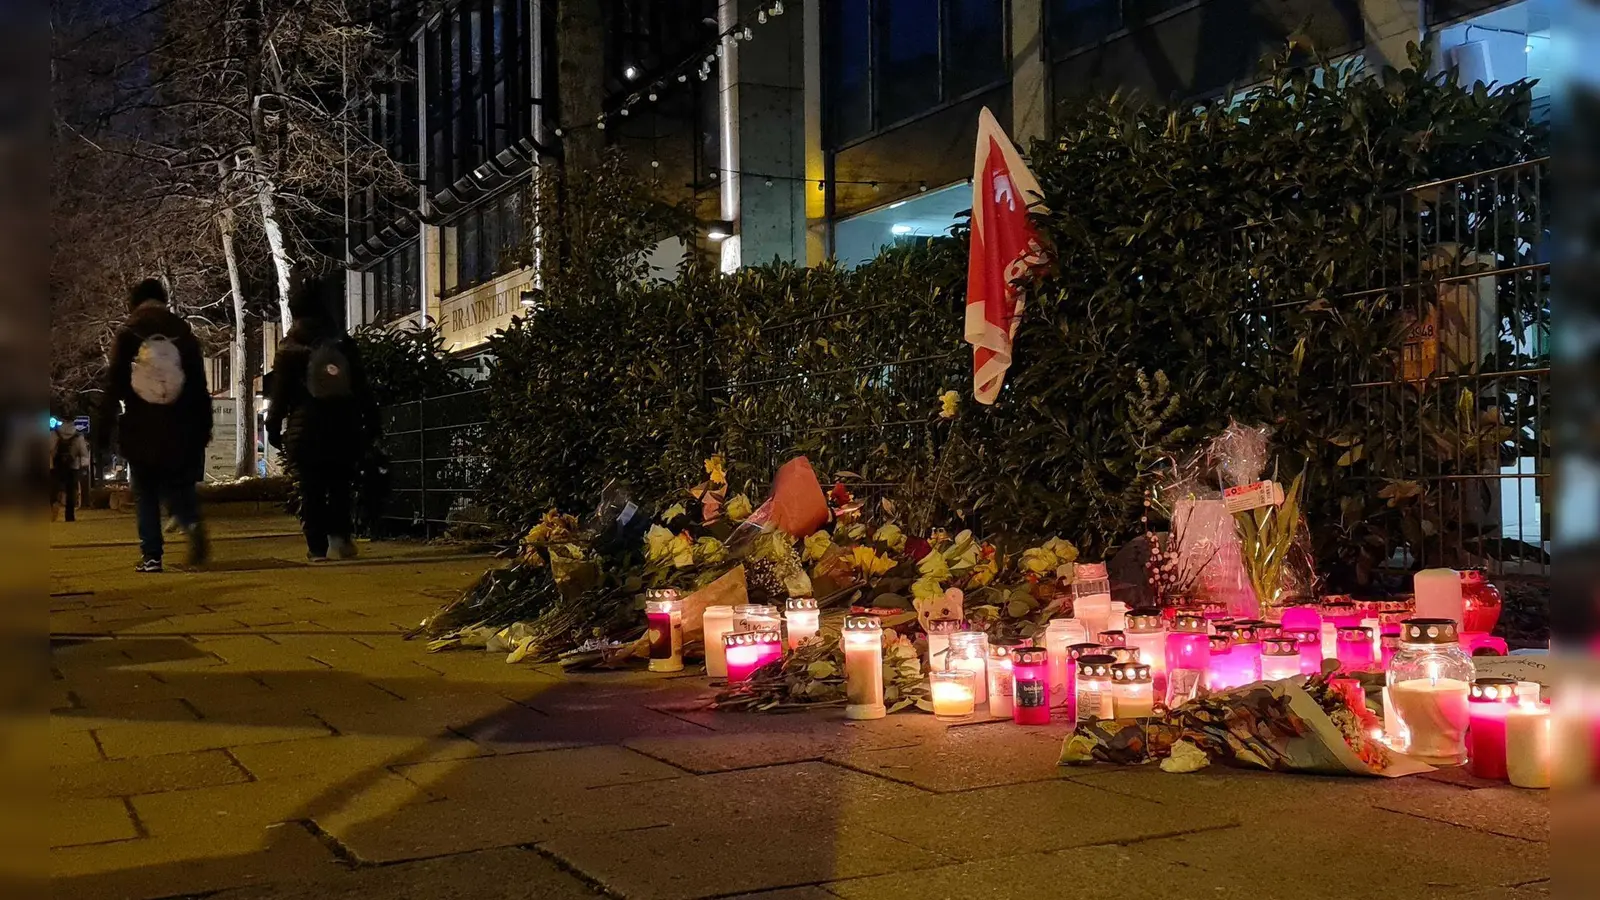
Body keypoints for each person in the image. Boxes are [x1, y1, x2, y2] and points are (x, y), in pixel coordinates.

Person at [100, 278, 212, 571]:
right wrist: (203, 426)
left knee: (145, 491)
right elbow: (199, 386)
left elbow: (114, 384)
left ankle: (152, 556)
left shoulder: (128, 332)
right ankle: (191, 523)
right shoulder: (183, 333)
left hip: (140, 425)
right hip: (180, 425)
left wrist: (103, 426)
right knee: (180, 484)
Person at [266, 277, 376, 561]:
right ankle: (340, 537)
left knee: (311, 489)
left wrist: (274, 427)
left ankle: (316, 548)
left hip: (306, 429)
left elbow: (280, 395)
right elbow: (361, 387)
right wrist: (371, 420)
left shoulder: (289, 348)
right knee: (339, 484)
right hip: (343, 425)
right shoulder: (342, 342)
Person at [50, 418, 90, 522]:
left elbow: (49, 448)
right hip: (73, 467)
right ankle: (69, 516)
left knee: (55, 489)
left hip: (57, 466)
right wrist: (84, 467)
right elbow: (84, 453)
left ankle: (53, 508)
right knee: (71, 491)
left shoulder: (55, 433)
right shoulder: (78, 435)